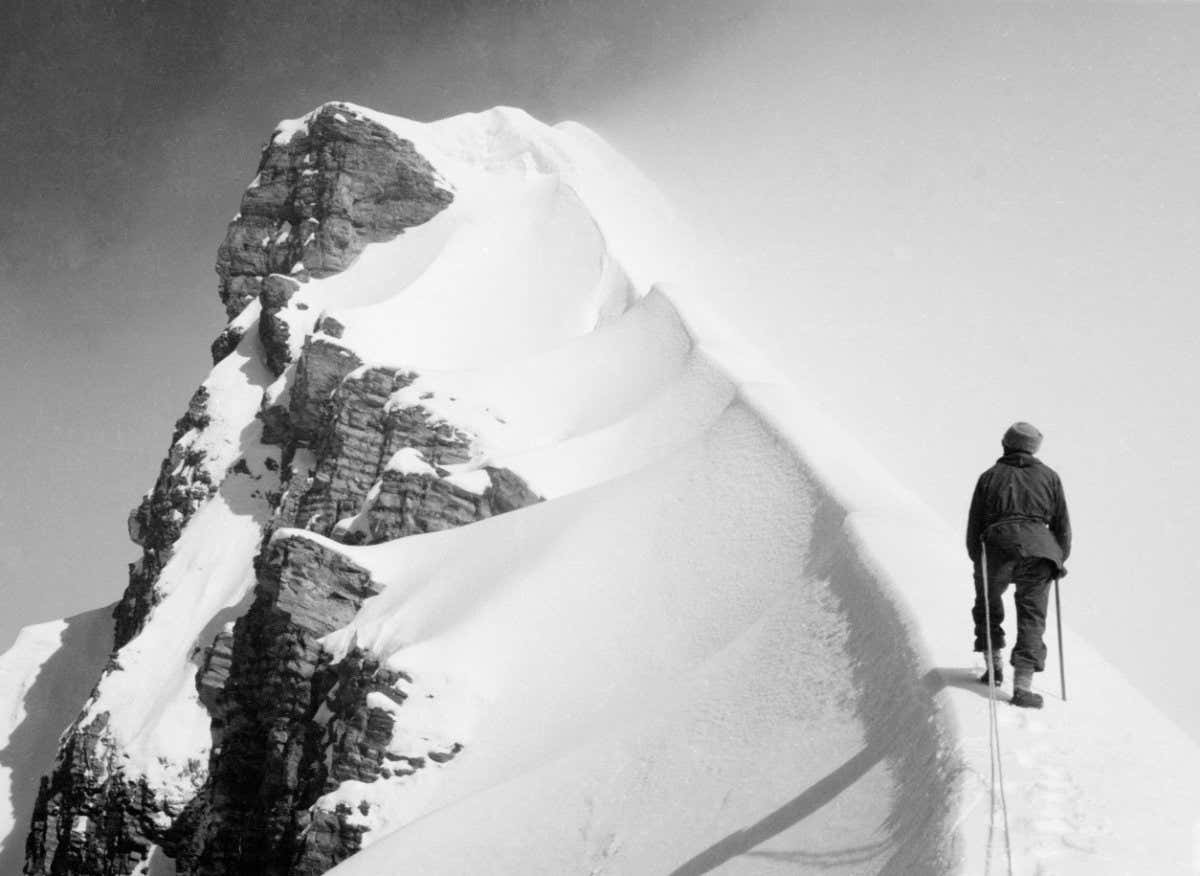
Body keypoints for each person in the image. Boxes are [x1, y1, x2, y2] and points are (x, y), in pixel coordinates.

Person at [966, 422, 1071, 708]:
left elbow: (975, 525)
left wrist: (979, 560)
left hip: (998, 546)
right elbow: (1062, 525)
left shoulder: (989, 477)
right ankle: (1022, 686)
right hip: (1041, 551)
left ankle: (994, 664)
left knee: (988, 602)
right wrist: (1058, 558)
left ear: (1005, 445)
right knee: (1032, 616)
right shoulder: (1050, 477)